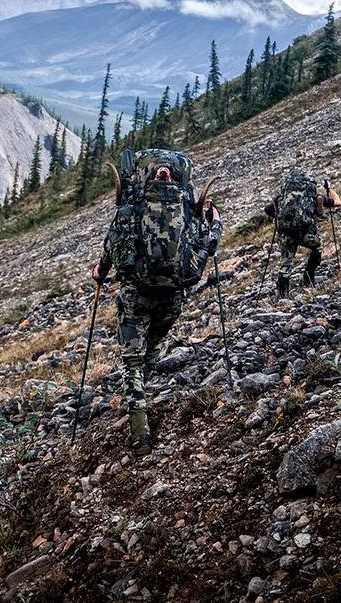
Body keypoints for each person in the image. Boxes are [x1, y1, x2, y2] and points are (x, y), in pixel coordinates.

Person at [92, 150, 221, 454]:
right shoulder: (188, 209)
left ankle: (139, 429)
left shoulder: (133, 206)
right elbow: (206, 249)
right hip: (171, 297)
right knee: (153, 348)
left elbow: (113, 244)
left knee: (132, 360)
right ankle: (139, 394)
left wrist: (101, 271)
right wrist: (215, 224)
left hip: (135, 294)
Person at [263, 167, 341, 299]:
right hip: (307, 234)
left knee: (286, 263)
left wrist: (279, 213)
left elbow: (267, 210)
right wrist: (329, 189)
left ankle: (282, 296)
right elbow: (338, 202)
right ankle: (308, 277)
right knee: (317, 247)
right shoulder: (315, 198)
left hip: (287, 236)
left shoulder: (282, 199)